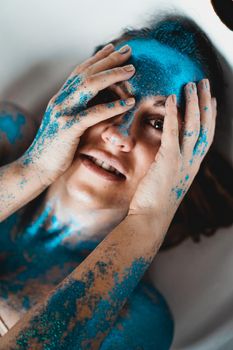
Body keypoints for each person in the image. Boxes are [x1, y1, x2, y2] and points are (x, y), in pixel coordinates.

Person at [0, 14, 231, 349]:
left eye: (157, 123)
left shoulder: (139, 320)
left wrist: (148, 223)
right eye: (110, 98)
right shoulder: (7, 134)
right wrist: (31, 168)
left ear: (186, 167)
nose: (117, 135)